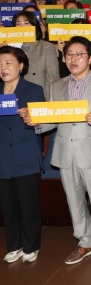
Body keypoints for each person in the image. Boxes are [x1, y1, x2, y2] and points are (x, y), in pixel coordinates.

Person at [25, 37, 91, 267]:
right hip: (66, 151)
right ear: (64, 59)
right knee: (74, 200)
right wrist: (35, 121)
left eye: (79, 54)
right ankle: (85, 242)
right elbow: (54, 119)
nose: (73, 59)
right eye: (69, 55)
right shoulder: (56, 85)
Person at [0, 46, 44, 264]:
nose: (3, 67)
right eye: (0, 64)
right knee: (8, 206)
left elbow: (43, 123)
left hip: (26, 155)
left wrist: (33, 119)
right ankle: (14, 245)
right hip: (3, 158)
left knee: (28, 205)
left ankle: (31, 245)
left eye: (8, 63)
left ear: (21, 66)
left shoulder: (34, 91)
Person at [10, 11, 59, 101]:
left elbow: (53, 79)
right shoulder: (9, 48)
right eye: (18, 24)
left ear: (35, 26)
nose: (22, 27)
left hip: (37, 98)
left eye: (26, 23)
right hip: (12, 97)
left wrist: (48, 102)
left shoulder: (47, 47)